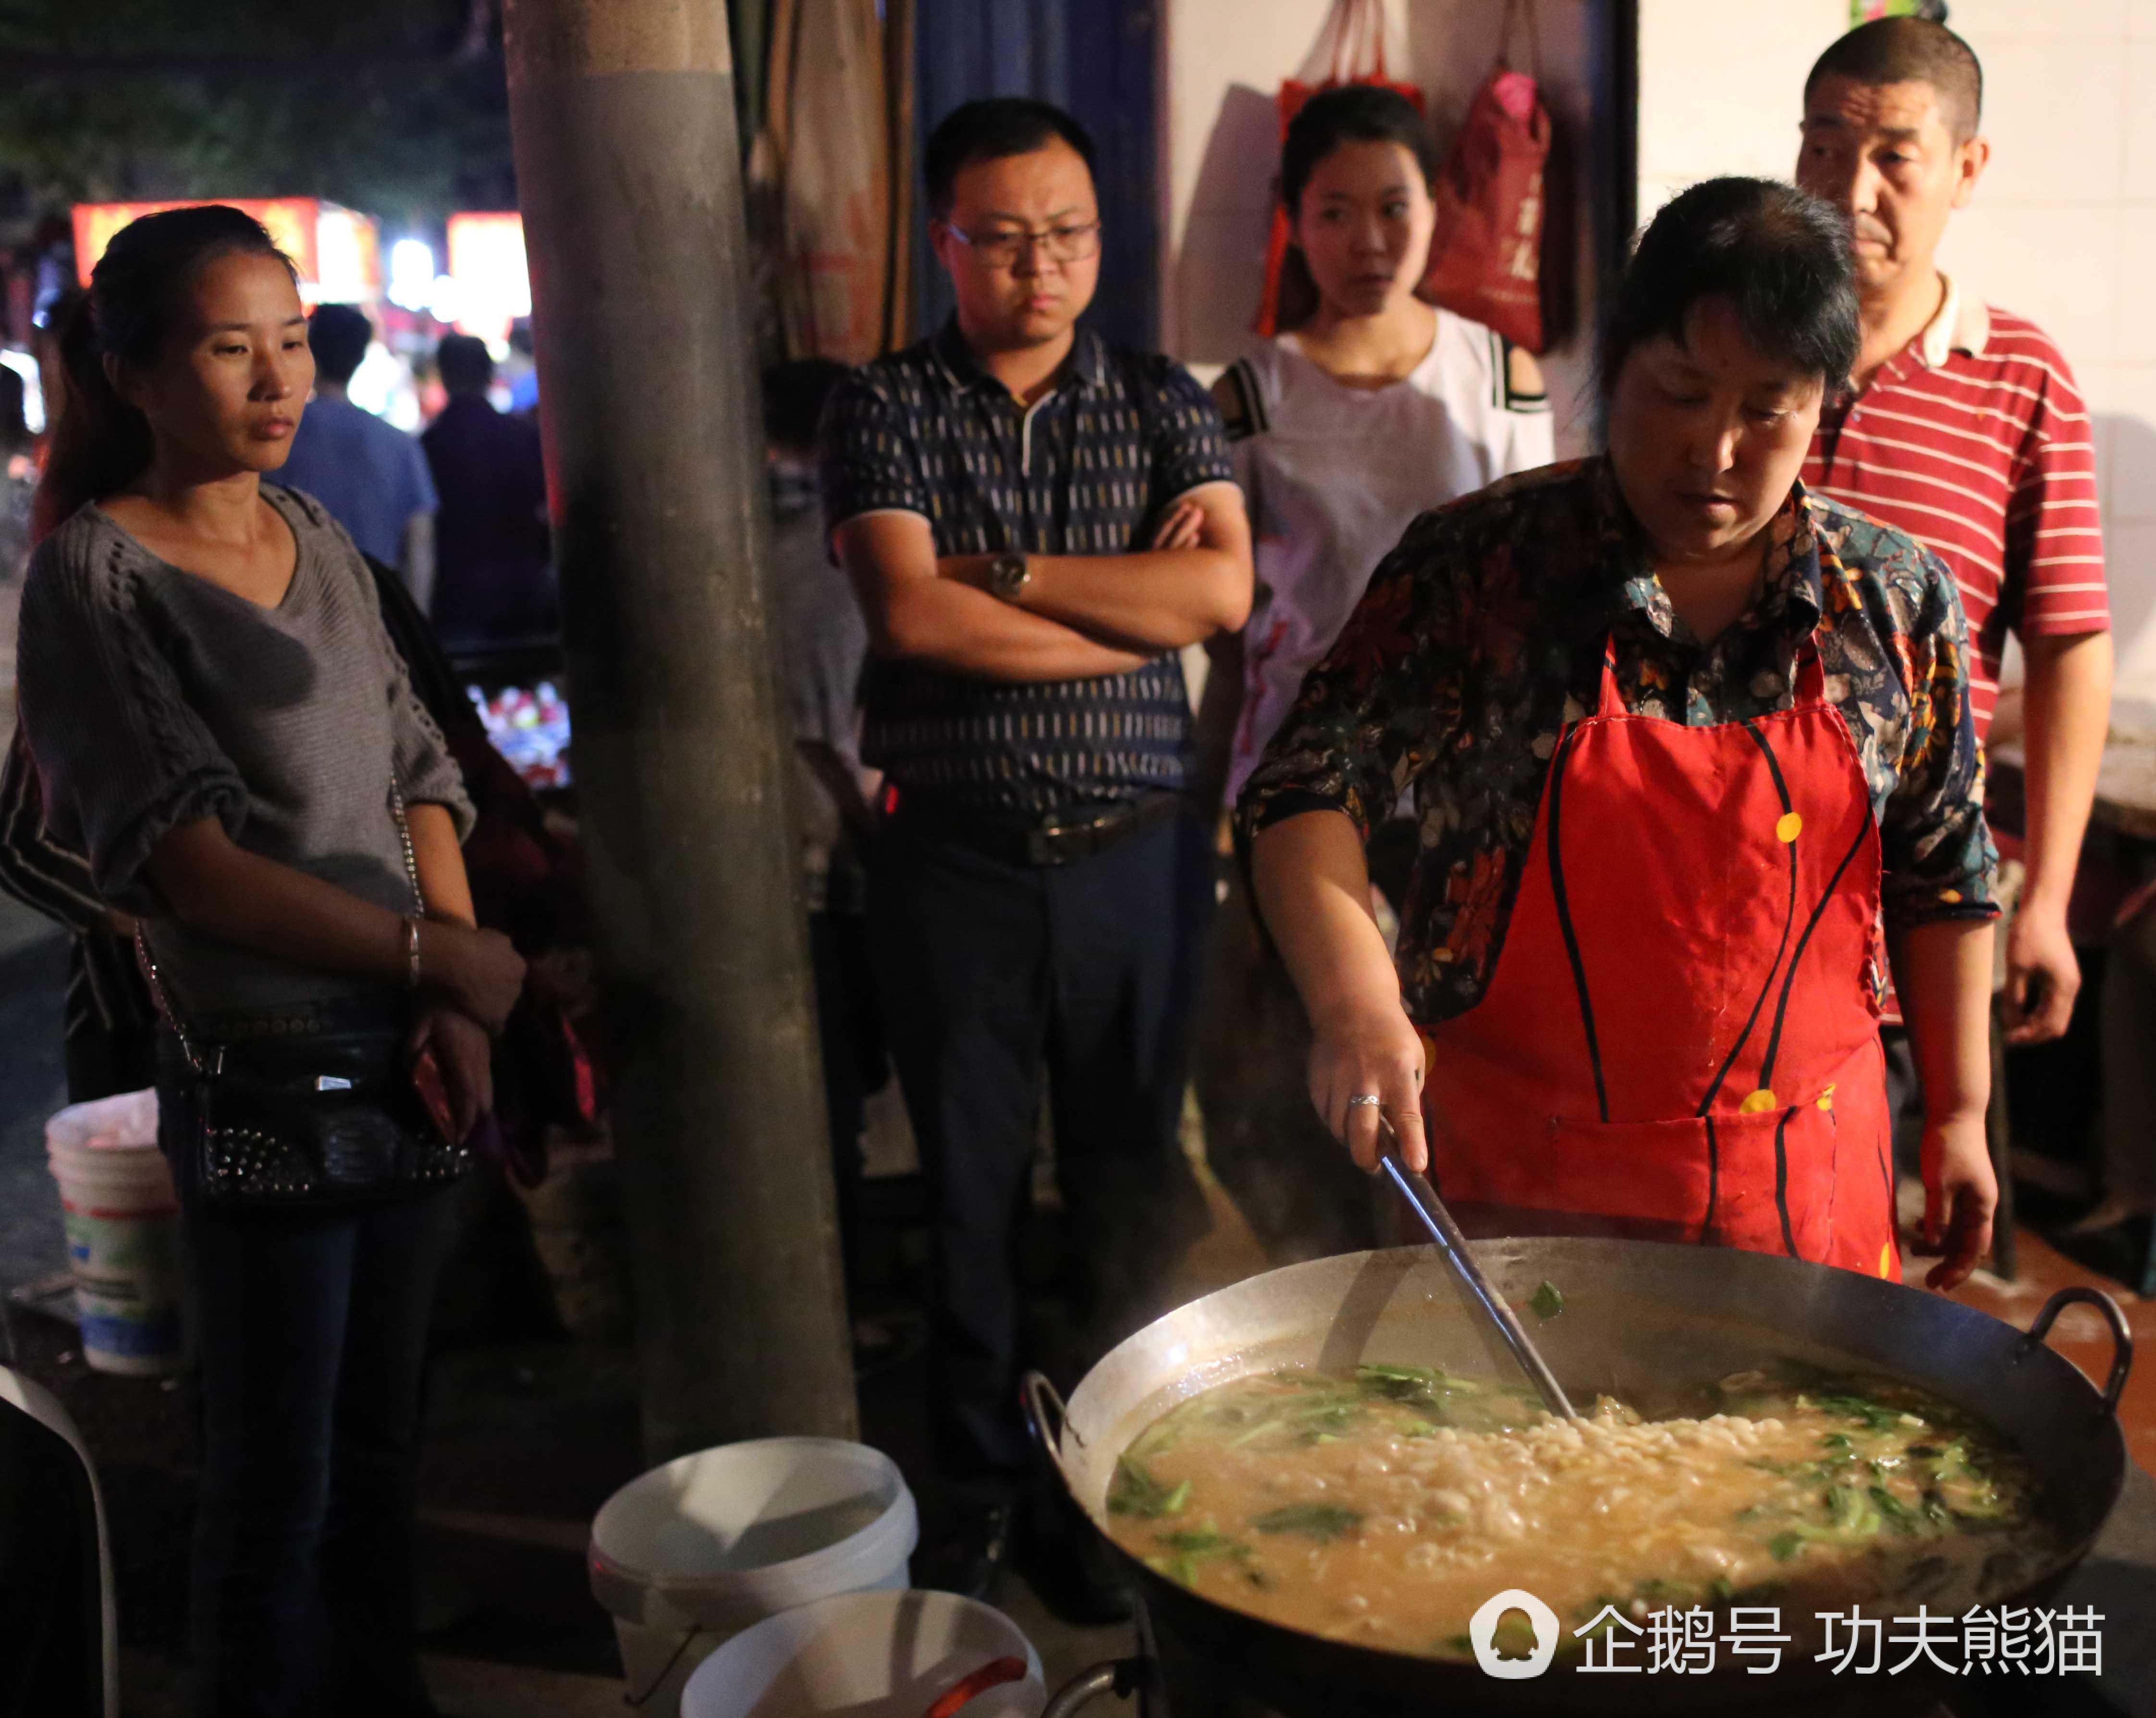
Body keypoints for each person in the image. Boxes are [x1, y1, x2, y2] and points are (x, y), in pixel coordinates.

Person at [1242, 178, 2000, 1298]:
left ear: (1823, 403)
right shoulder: (1482, 569)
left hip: (1800, 1202)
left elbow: (1943, 872)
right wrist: (1354, 1002)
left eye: (1768, 407)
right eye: (1680, 394)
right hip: (1516, 1199)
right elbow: (1306, 790)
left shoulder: (1892, 601)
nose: (1718, 449)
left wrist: (1960, 1109)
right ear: (1617, 367)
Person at [16, 205, 526, 1718]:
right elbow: (193, 867)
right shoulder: (95, 577)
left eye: (292, 342)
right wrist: (444, 951)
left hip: (416, 1054)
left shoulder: (314, 536)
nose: (277, 379)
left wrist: (450, 993)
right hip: (266, 1078)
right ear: (133, 373)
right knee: (273, 1481)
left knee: (380, 1457)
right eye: (231, 348)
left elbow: (423, 767)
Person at [821, 97, 1253, 1599]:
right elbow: (908, 616)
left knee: (1127, 1187)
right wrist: (1113, 609)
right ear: (943, 243)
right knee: (968, 1194)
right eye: (999, 240)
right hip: (952, 861)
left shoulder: (1159, 400)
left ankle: (1114, 1496)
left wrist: (1001, 571)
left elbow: (1214, 601)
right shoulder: (882, 406)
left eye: (1063, 235)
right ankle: (981, 1492)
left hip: (1134, 858)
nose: (1037, 267)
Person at [1197, 83, 1555, 1263]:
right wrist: (1212, 801)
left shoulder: (1500, 380)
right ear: (1291, 220)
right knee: (1276, 1082)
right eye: (1336, 212)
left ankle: (1433, 1305)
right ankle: (1316, 1294)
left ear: (1438, 209)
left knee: (1450, 1085)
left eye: (1393, 208)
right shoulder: (1248, 397)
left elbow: (1537, 599)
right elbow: (1227, 630)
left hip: (1464, 795)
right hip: (1301, 797)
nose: (1368, 243)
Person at [1794, 18, 2111, 1091]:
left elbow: (2069, 649)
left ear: (1966, 170)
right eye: (1825, 147)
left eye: (1892, 156)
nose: (1850, 190)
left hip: (1909, 893)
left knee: (1864, 1211)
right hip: (1719, 871)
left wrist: (2051, 904)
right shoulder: (1745, 344)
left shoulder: (2021, 378)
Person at [763, 355, 888, 1338]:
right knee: (830, 1106)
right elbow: (829, 741)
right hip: (824, 872)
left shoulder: (752, 542)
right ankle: (834, 1324)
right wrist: (881, 848)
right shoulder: (831, 556)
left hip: (776, 870)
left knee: (812, 1105)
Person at [274, 303, 439, 606]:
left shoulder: (277, 442)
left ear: (309, 352)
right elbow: (419, 545)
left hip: (299, 608)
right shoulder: (398, 445)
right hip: (379, 607)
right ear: (361, 356)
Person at [420, 332, 553, 652]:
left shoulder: (430, 444)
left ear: (444, 376)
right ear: (490, 376)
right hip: (523, 591)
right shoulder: (522, 436)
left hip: (456, 595)